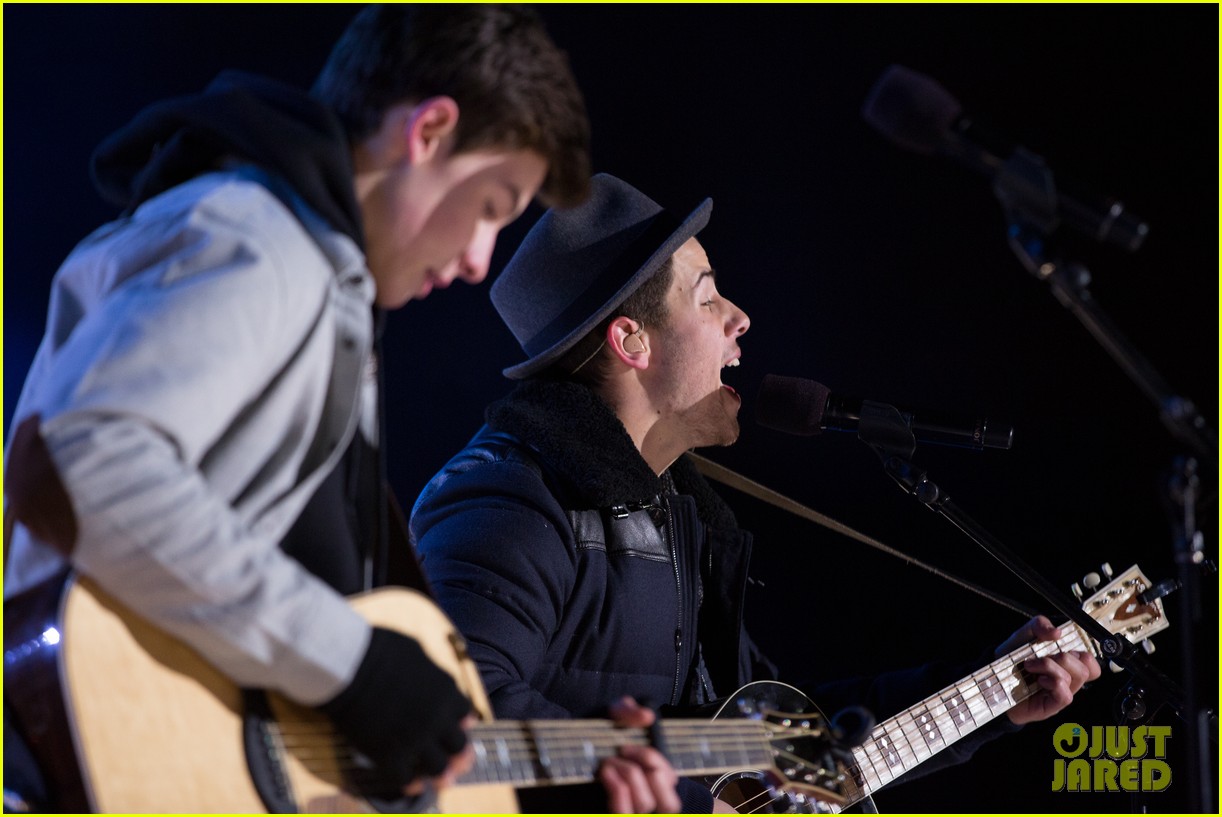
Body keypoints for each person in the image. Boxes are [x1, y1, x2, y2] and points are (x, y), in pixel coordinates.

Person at [3, 4, 595, 811]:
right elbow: (79, 464)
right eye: (492, 204)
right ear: (428, 132)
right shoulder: (260, 241)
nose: (475, 260)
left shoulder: (315, 278)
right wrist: (349, 662)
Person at [409, 173, 1103, 812]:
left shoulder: (678, 514)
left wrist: (994, 692)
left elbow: (784, 751)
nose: (739, 317)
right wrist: (686, 799)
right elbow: (451, 712)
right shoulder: (508, 501)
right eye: (706, 295)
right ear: (631, 340)